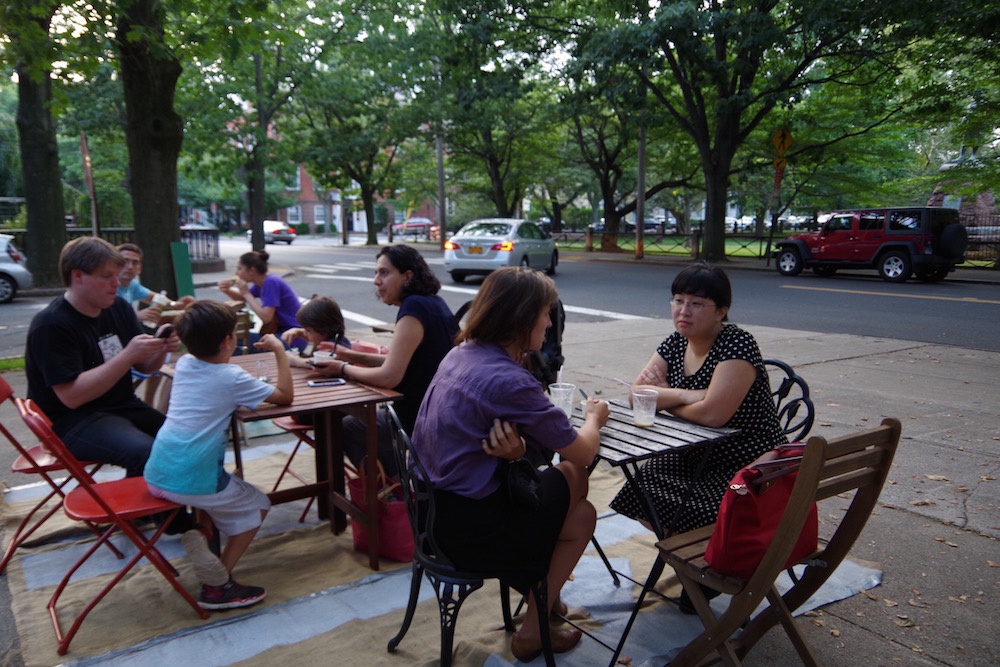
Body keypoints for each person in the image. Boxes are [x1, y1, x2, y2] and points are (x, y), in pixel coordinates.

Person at [411, 266, 610, 662]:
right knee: (578, 497)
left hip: (429, 516)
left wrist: (517, 453)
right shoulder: (509, 380)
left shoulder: (460, 353)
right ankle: (534, 630)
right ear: (521, 318)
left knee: (570, 509)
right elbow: (584, 454)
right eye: (545, 313)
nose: (550, 322)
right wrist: (593, 418)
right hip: (471, 530)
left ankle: (545, 598)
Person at [609, 261, 788, 536]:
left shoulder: (736, 343)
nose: (683, 311)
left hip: (745, 458)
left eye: (696, 303)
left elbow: (713, 416)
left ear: (721, 311)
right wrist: (684, 394)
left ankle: (703, 567)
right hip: (693, 450)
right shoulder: (676, 342)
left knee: (700, 510)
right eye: (678, 300)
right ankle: (691, 564)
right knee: (640, 486)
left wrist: (666, 400)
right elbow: (637, 396)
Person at [143, 300, 293, 610]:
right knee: (258, 504)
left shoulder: (184, 364)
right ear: (228, 341)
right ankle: (218, 585)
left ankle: (200, 532)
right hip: (193, 478)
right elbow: (284, 397)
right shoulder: (231, 378)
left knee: (225, 492)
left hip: (157, 472)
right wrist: (279, 350)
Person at [25, 237, 180, 478]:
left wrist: (160, 349)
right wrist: (127, 356)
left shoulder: (118, 307)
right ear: (78, 276)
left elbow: (145, 367)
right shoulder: (51, 325)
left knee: (188, 441)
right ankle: (154, 515)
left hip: (120, 406)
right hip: (72, 420)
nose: (116, 283)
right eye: (107, 276)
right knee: (147, 452)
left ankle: (157, 514)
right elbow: (71, 398)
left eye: (117, 276)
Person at [314, 245, 459, 475]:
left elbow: (390, 376)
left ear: (407, 276)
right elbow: (400, 359)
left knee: (345, 427)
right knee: (364, 422)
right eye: (376, 273)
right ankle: (396, 482)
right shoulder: (433, 302)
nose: (376, 281)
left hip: (420, 420)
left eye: (384, 273)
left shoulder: (414, 308)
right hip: (443, 412)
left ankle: (392, 489)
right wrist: (350, 355)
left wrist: (342, 368)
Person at [217, 250, 302, 346]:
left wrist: (246, 293)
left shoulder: (271, 282)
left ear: (252, 271)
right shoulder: (261, 283)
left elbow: (266, 318)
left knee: (236, 342)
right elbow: (244, 298)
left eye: (239, 269)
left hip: (292, 337)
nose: (237, 273)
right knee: (236, 339)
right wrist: (227, 290)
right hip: (282, 333)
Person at [116, 242, 195, 327]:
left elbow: (155, 298)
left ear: (140, 269)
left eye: (135, 263)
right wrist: (136, 316)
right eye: (125, 261)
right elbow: (104, 320)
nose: (130, 267)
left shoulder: (132, 284)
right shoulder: (106, 287)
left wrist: (176, 305)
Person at [280, 296, 352, 369]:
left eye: (308, 331)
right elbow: (315, 336)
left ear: (323, 329)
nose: (305, 333)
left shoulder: (334, 346)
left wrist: (296, 361)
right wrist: (297, 331)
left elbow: (320, 363)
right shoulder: (328, 337)